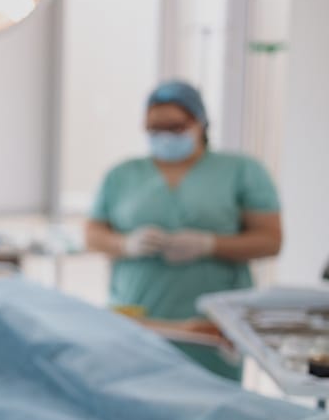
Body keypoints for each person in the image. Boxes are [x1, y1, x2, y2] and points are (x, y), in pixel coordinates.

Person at [86, 80, 283, 381]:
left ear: (200, 123)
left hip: (211, 327)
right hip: (139, 318)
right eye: (154, 128)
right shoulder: (122, 174)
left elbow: (270, 240)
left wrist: (209, 245)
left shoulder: (241, 170)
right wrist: (125, 244)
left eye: (175, 127)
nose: (164, 135)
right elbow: (93, 234)